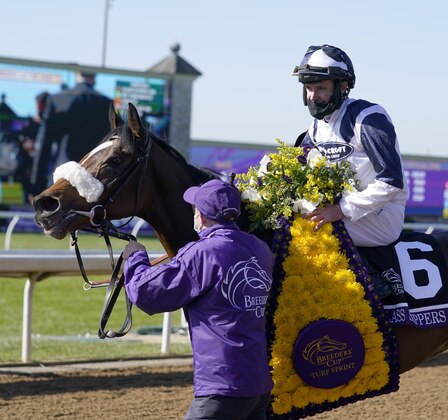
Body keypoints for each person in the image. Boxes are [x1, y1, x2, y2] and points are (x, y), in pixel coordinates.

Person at [122, 179, 275, 420]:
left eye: (195, 209)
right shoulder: (259, 248)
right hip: (258, 388)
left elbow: (147, 293)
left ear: (201, 217)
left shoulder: (203, 252)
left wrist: (135, 259)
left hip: (221, 387)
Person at [292, 44, 409, 247]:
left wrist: (341, 210)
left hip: (381, 216)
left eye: (321, 88)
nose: (312, 96)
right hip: (342, 211)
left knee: (312, 233)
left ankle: (381, 280)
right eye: (308, 88)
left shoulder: (369, 118)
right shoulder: (315, 128)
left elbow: (392, 181)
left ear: (343, 87)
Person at [31, 71, 111, 194]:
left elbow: (44, 145)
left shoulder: (58, 100)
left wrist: (36, 184)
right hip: (94, 177)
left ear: (77, 74)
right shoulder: (106, 103)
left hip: (62, 173)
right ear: (94, 76)